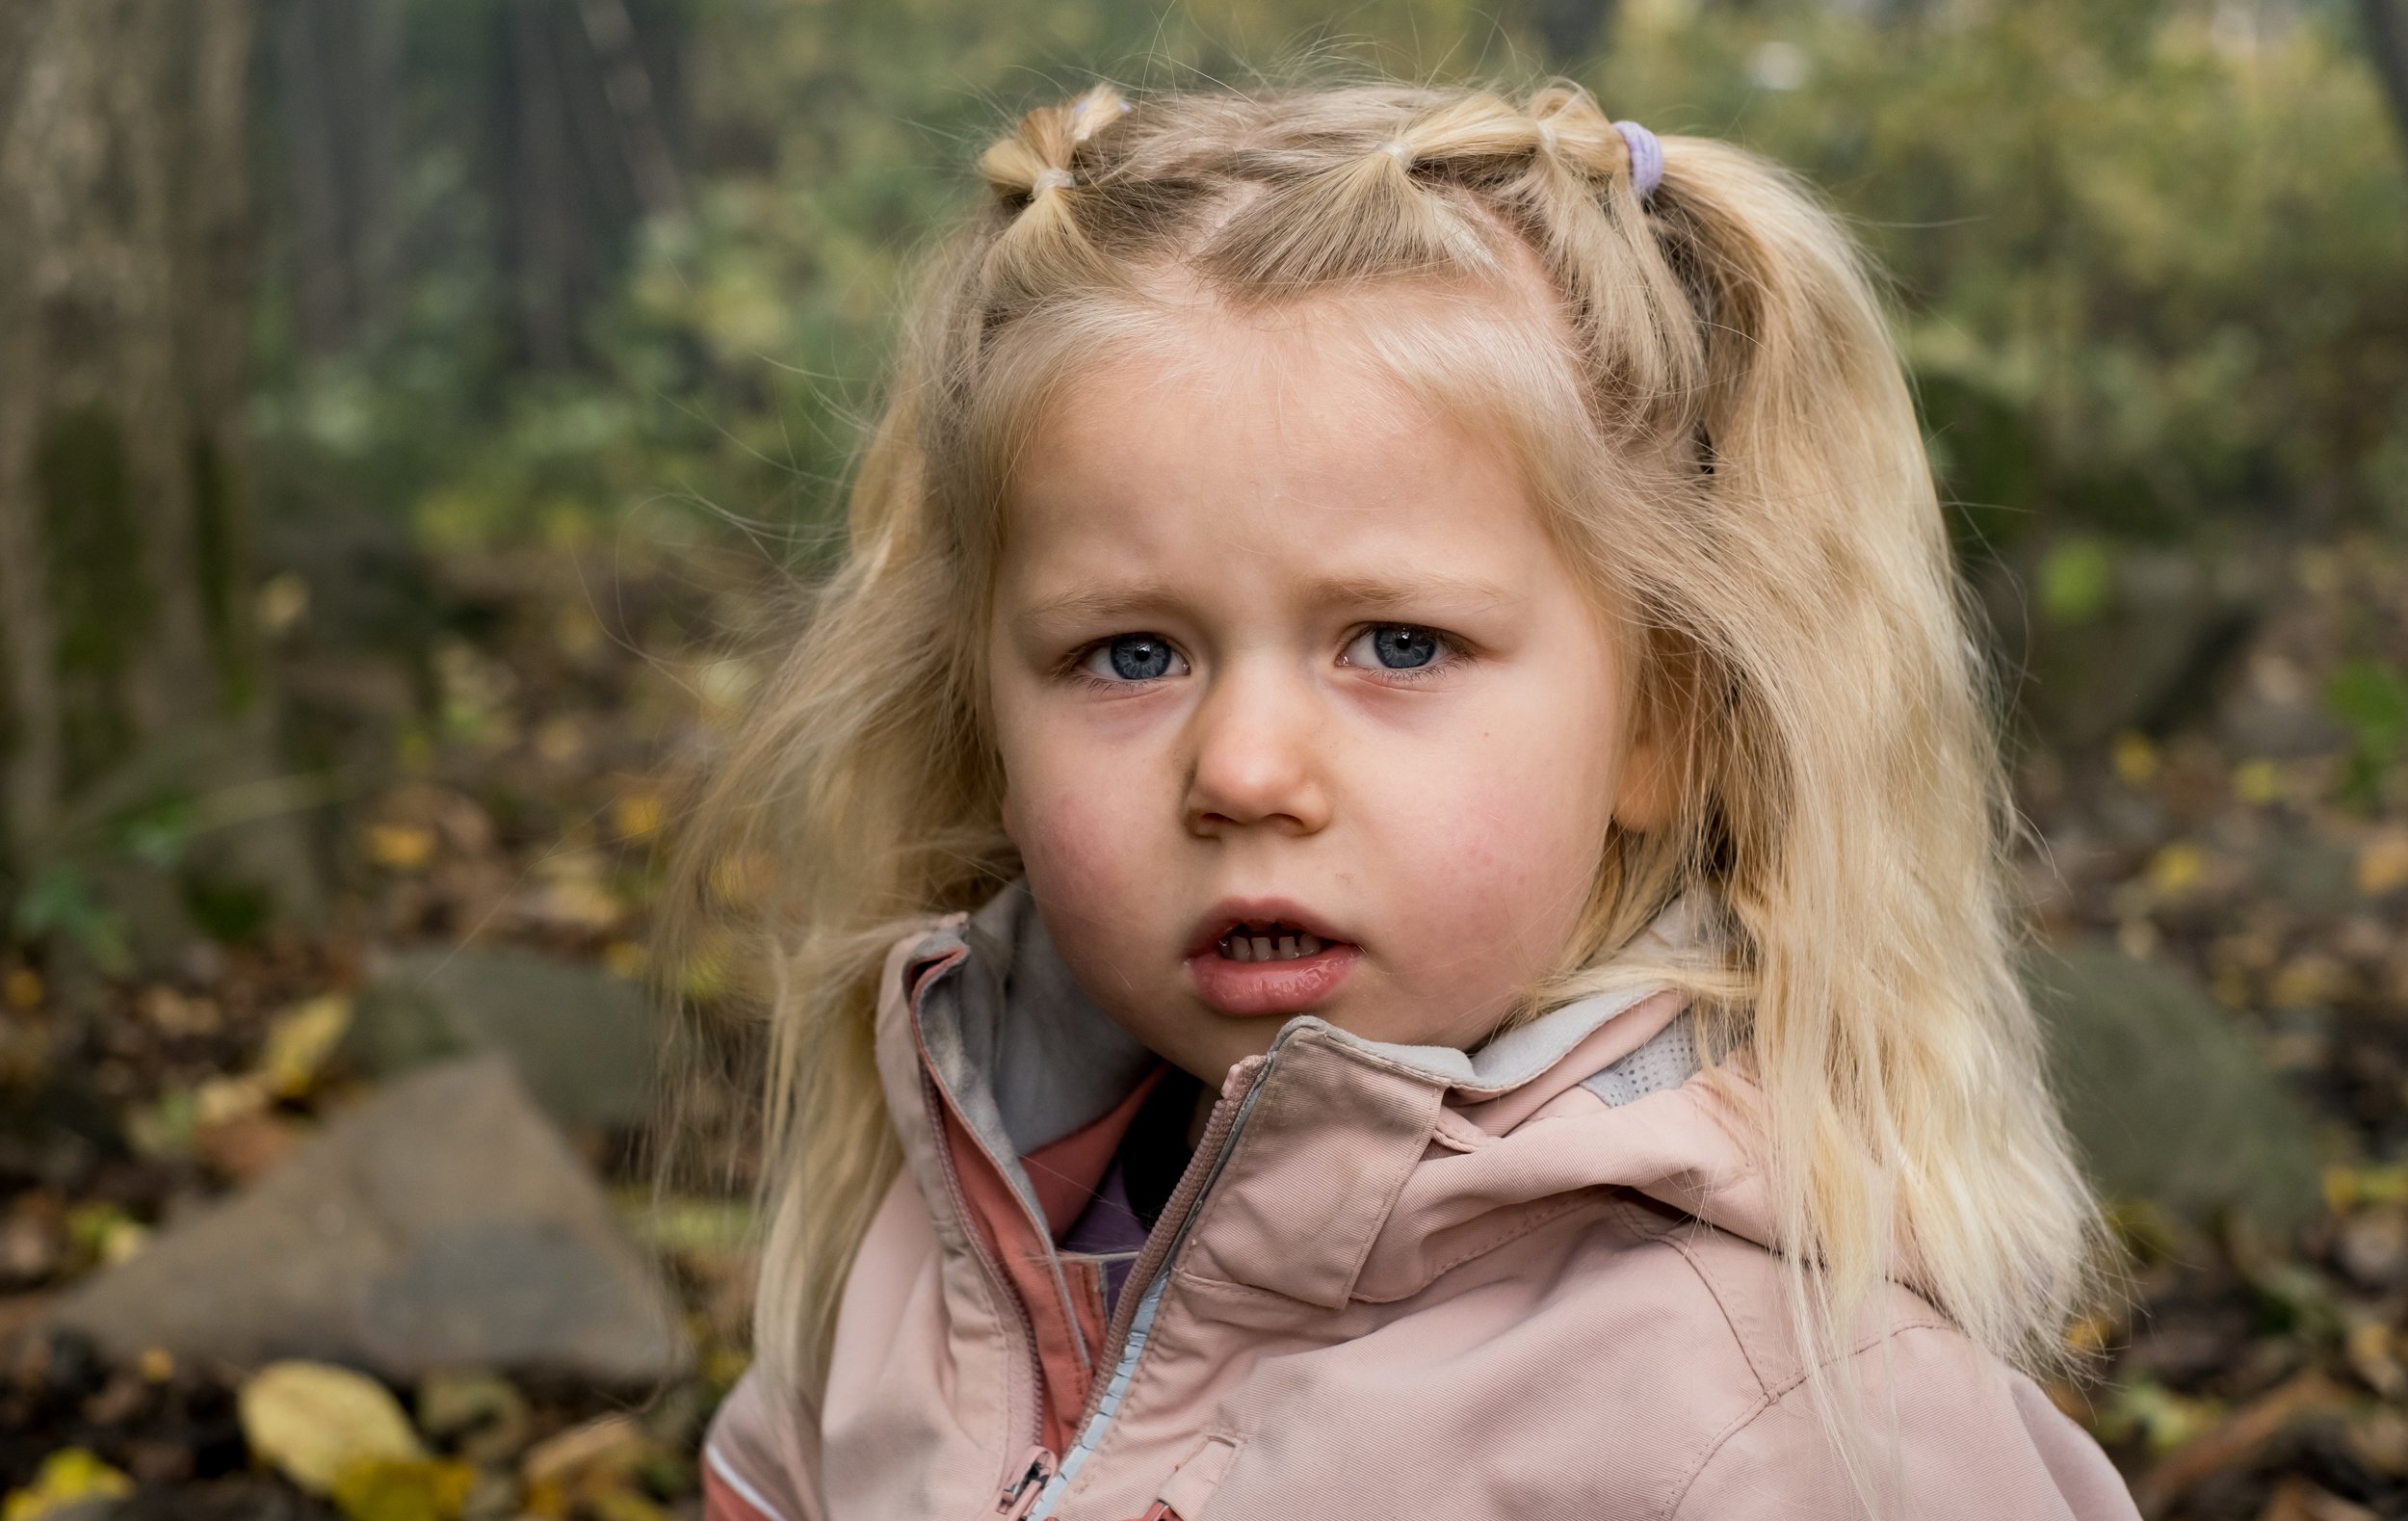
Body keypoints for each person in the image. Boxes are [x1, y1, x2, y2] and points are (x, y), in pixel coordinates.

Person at [684, 77, 2141, 1520]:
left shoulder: (1772, 1422)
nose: (1246, 772)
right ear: (984, 709)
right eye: (1131, 654)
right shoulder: (941, 1231)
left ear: (1665, 722)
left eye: (1397, 645)